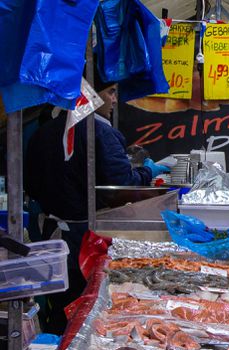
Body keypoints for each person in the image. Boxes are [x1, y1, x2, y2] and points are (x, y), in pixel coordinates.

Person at [25, 74, 155, 332]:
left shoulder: (43, 132)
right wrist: (148, 172)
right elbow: (122, 186)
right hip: (85, 239)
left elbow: (31, 186)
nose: (115, 99)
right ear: (92, 96)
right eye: (111, 92)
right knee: (85, 309)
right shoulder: (101, 132)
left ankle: (53, 346)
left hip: (51, 238)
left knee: (60, 304)